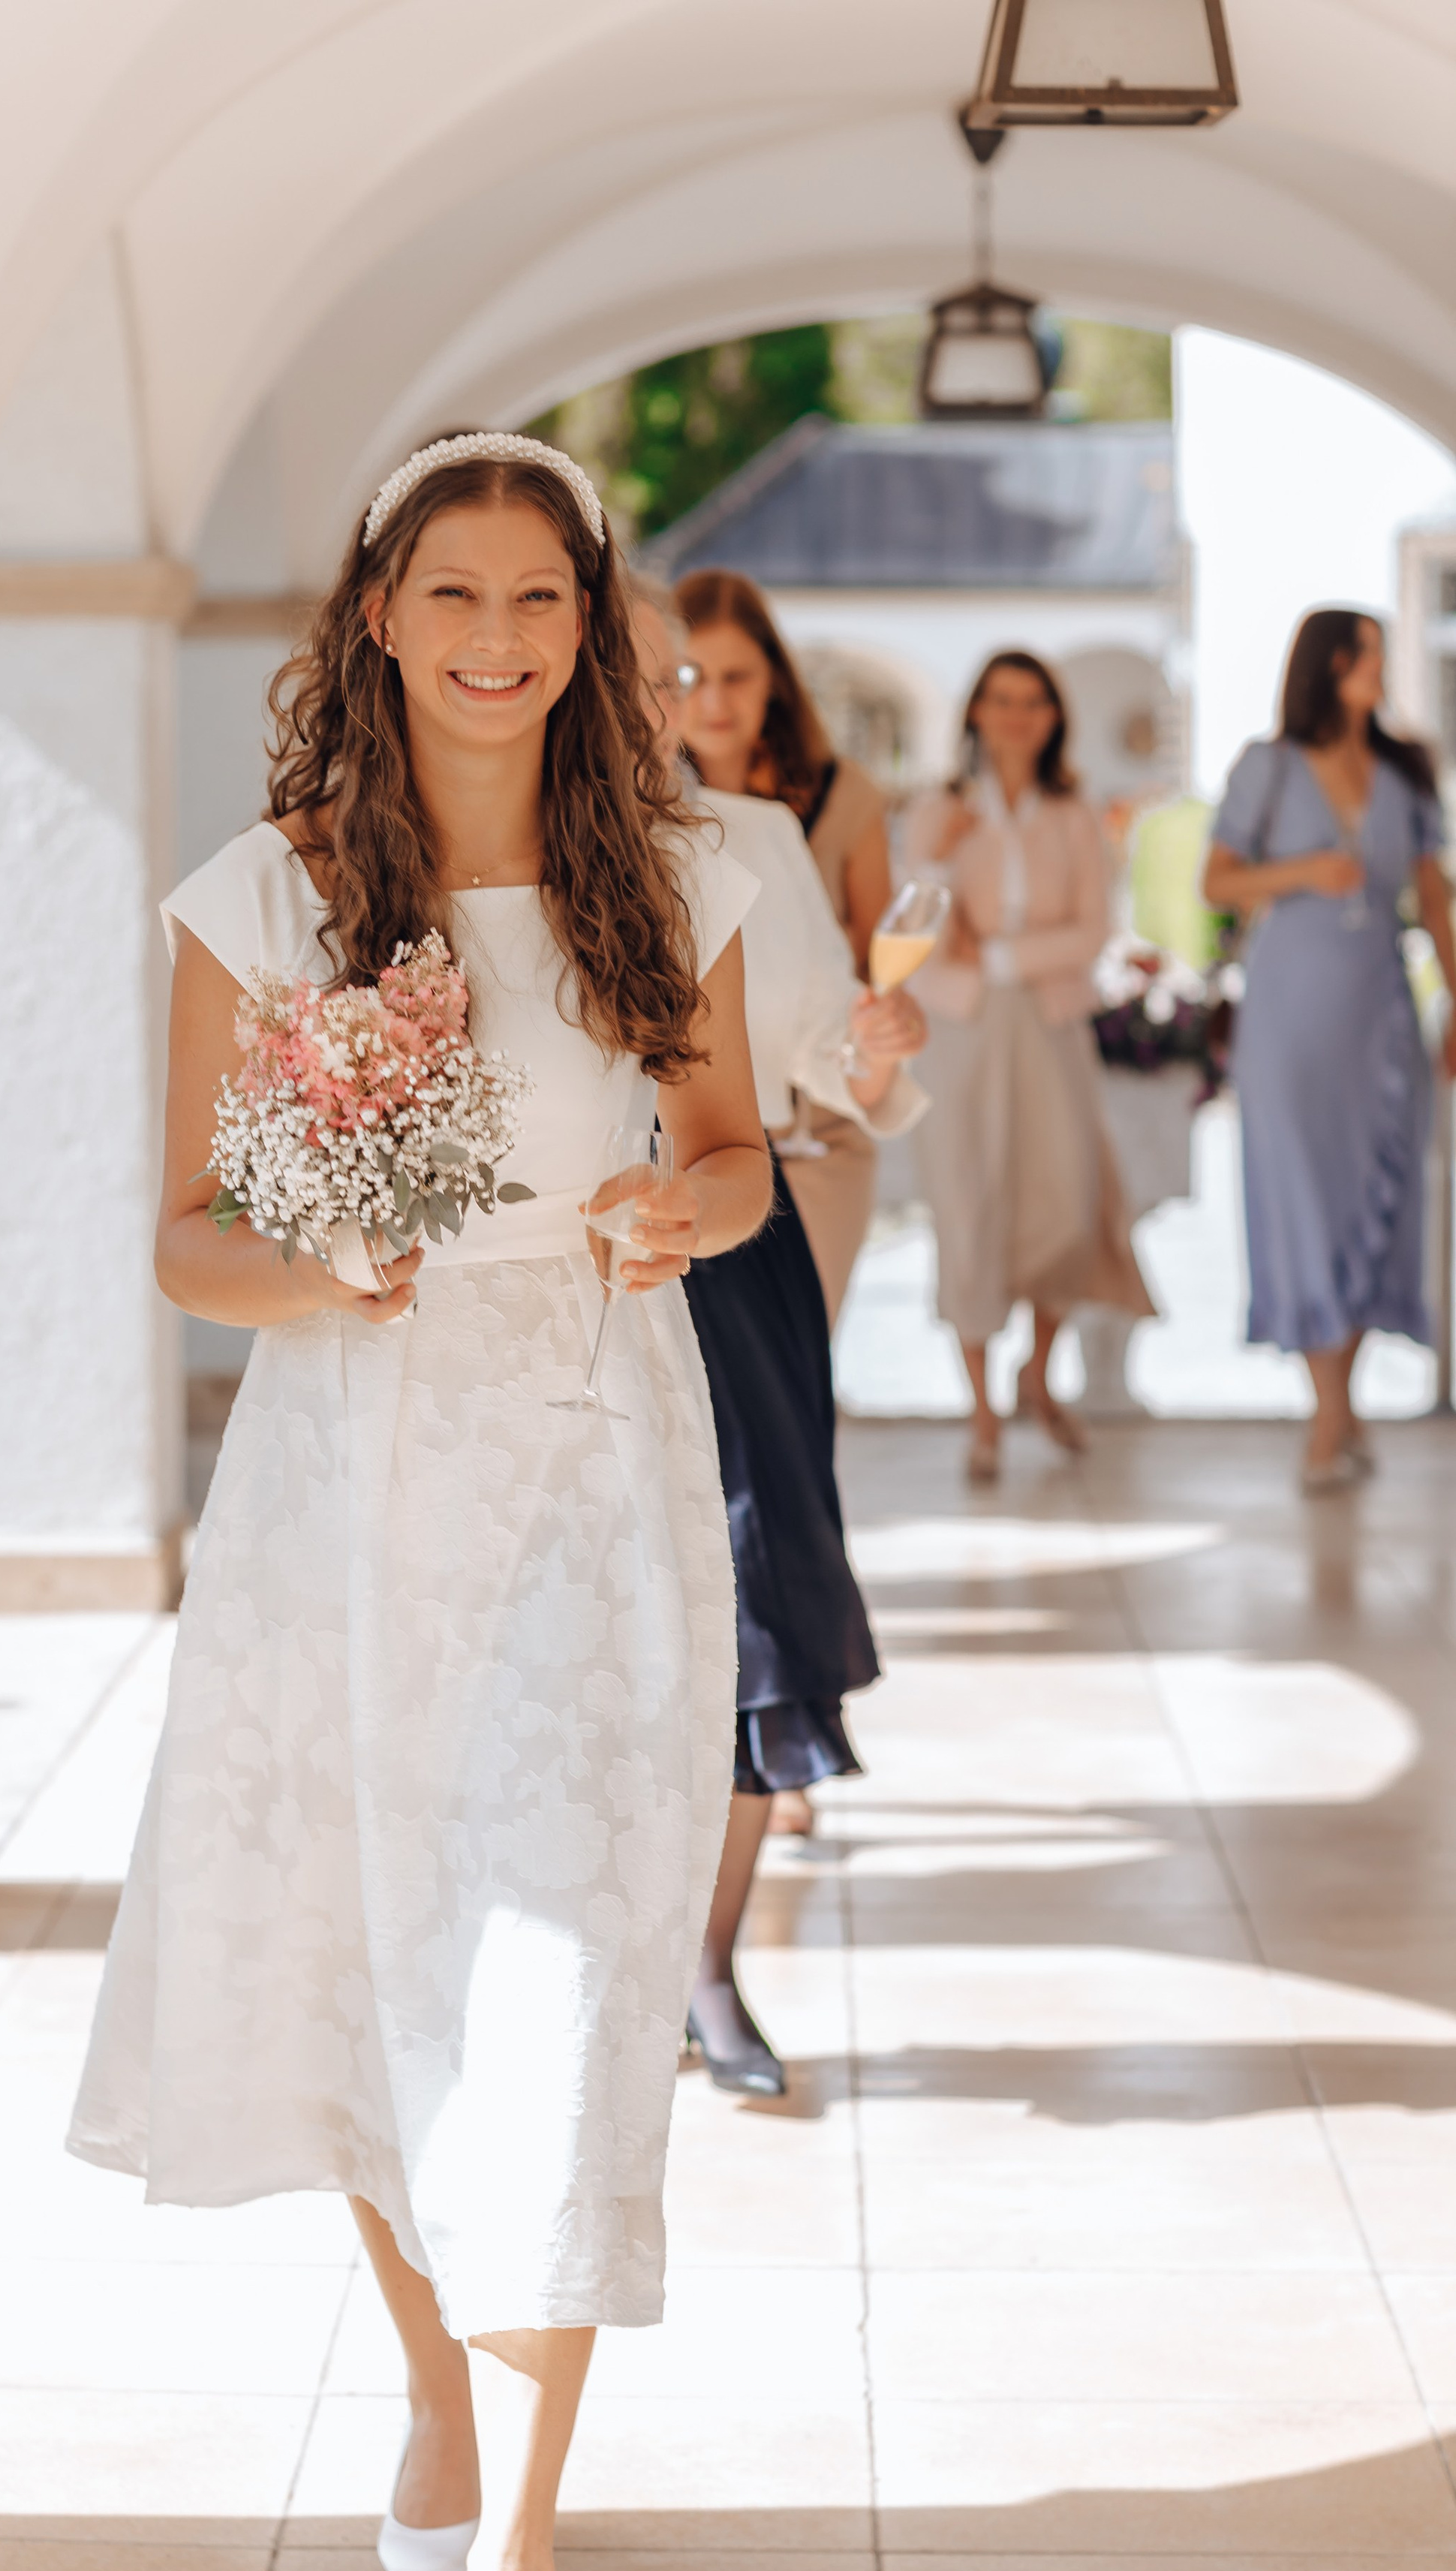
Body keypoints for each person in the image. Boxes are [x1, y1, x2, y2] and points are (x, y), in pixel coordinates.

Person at [67, 434, 773, 2571]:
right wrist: (322, 1260)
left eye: (538, 600)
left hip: (586, 1462)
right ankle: (433, 2387)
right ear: (376, 610)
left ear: (589, 627)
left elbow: (736, 1152)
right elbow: (181, 1235)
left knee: (569, 1977)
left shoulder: (671, 875)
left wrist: (694, 1202)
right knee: (373, 1964)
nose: (495, 637)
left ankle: (522, 2564)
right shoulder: (257, 902)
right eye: (449, 593)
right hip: (342, 1489)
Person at [630, 585, 926, 2094]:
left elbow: (824, 1056)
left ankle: (705, 1964)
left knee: (751, 1598)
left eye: (659, 675)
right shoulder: (455, 841)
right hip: (553, 1284)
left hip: (739, 1265)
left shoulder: (749, 843)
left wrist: (868, 1055)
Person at [1204, 610, 1456, 1491]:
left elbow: (1434, 899)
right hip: (1287, 1010)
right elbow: (1218, 881)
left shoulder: (1406, 771)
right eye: (1367, 655)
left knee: (1370, 1194)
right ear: (1331, 665)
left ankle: (1339, 1406)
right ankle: (1327, 1415)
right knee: (1302, 1192)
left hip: (1379, 1009)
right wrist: (1303, 873)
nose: (1380, 670)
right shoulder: (1265, 768)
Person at [908, 649, 1153, 1482]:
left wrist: (1004, 956)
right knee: (968, 1203)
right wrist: (940, 861)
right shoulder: (936, 811)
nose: (1015, 716)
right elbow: (913, 930)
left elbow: (1093, 931)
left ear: (1052, 717)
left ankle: (1037, 1377)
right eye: (1000, 699)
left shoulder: (1076, 814)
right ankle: (981, 1414)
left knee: (1065, 1200)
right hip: (962, 1031)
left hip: (1048, 1028)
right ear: (975, 711)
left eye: (1032, 702)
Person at [674, 567, 896, 1323]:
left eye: (736, 676)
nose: (713, 699)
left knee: (796, 1358)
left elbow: (874, 960)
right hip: (693, 1141)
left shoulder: (834, 799)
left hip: (816, 1115)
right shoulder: (631, 814)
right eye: (688, 676)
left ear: (773, 678)